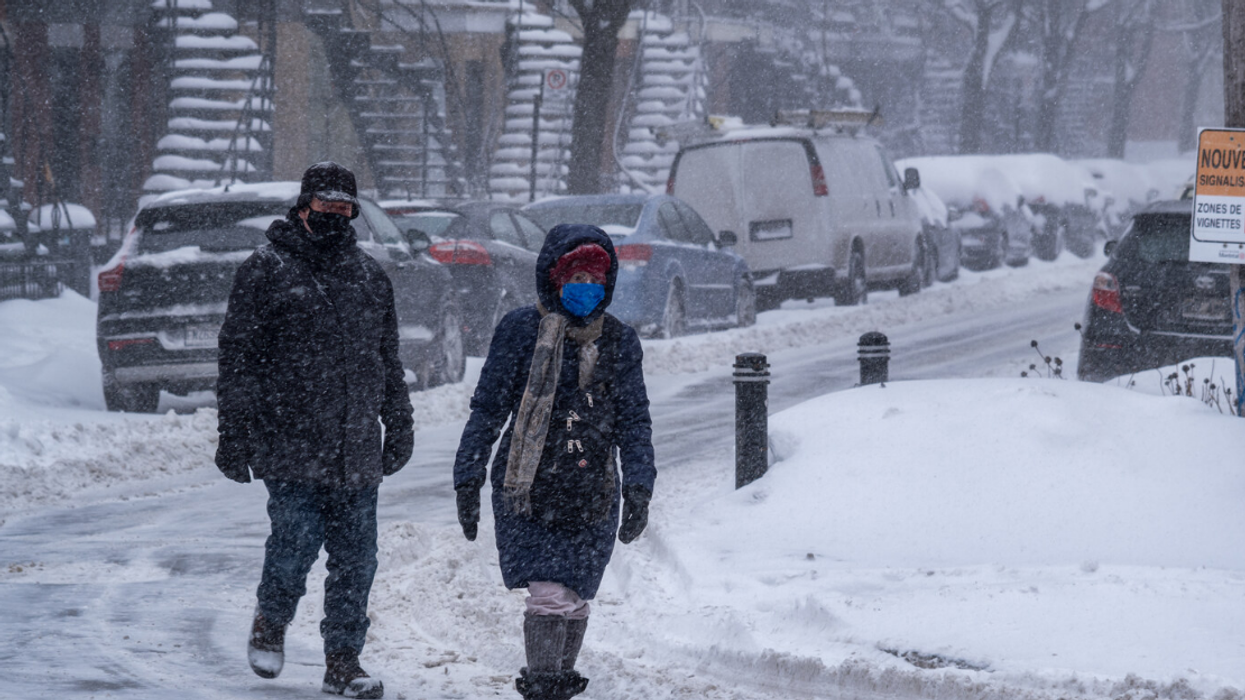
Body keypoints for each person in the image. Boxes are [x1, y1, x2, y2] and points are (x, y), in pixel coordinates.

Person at [215, 161, 414, 700]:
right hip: (289, 443)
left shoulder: (370, 277)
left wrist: (399, 421)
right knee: (296, 542)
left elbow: (386, 360)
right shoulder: (265, 269)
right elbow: (239, 359)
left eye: (344, 209)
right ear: (303, 206)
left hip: (355, 449)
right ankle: (271, 620)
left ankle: (344, 662)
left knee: (356, 561)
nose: (334, 217)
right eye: (324, 207)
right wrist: (233, 433)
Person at [453, 224, 655, 700]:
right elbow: (488, 409)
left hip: (592, 489)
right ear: (552, 277)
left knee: (576, 593)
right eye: (575, 274)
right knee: (549, 593)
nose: (587, 285)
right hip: (530, 486)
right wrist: (468, 475)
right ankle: (544, 686)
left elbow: (634, 420)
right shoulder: (521, 331)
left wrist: (640, 487)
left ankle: (556, 683)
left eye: (596, 276)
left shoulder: (619, 342)